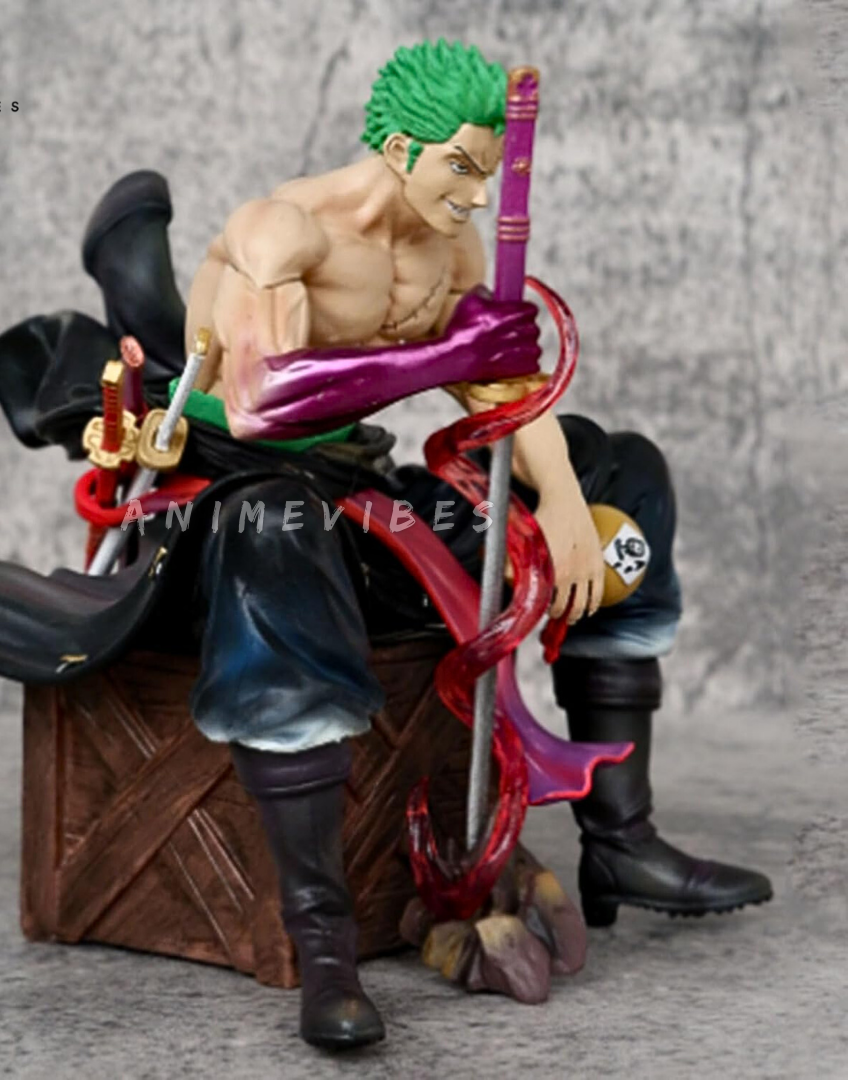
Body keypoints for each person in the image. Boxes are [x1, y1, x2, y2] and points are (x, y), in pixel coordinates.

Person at [177, 39, 772, 1046]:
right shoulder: (280, 233)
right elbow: (259, 401)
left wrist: (568, 508)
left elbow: (501, 391)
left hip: (363, 503)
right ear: (400, 148)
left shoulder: (448, 252)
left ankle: (620, 837)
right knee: (273, 529)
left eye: (487, 171)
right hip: (240, 504)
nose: (476, 194)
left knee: (621, 466)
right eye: (459, 166)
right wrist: (443, 356)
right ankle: (324, 941)